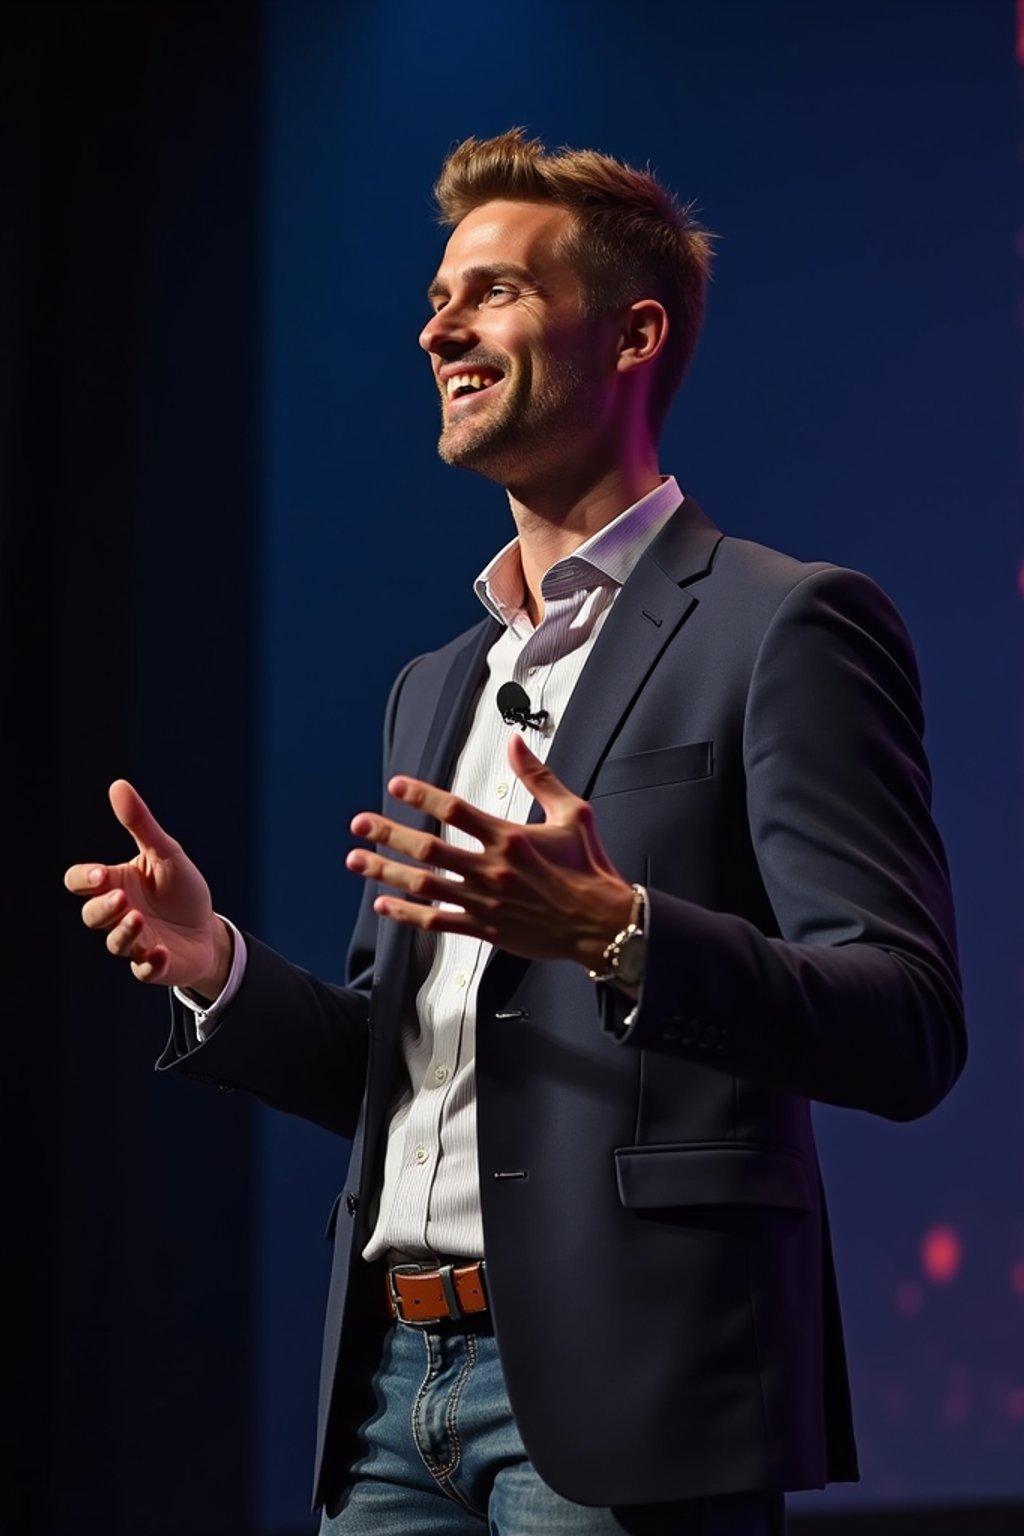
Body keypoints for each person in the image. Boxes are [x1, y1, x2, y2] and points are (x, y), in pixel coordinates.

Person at [64, 130, 965, 1535]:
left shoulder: (783, 624)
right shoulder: (440, 685)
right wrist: (217, 967)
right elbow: (399, 1067)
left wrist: (616, 931)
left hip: (632, 1394)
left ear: (631, 333)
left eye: (489, 292)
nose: (438, 327)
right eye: (437, 297)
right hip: (387, 1394)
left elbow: (906, 1023)